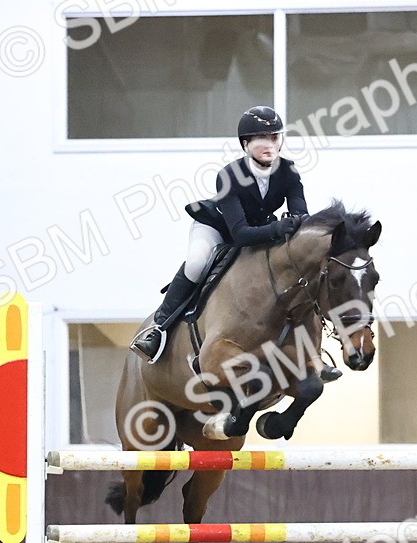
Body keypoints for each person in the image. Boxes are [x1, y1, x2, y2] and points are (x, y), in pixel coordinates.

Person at [130, 105, 309, 362]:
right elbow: (240, 234)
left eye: (275, 137)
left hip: (260, 230)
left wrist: (297, 224)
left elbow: (300, 214)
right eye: (262, 139)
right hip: (218, 228)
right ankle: (158, 329)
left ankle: (307, 349)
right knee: (196, 264)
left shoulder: (288, 171)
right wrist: (278, 229)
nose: (270, 145)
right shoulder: (229, 176)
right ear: (246, 144)